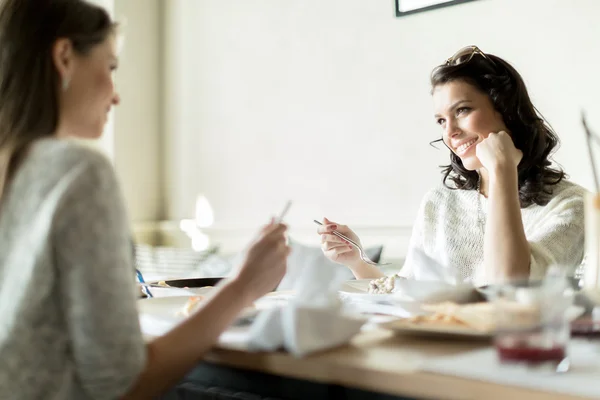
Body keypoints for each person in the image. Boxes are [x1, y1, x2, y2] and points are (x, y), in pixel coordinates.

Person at [0, 1, 289, 399]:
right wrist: (241, 287)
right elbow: (122, 386)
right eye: (111, 67)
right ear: (64, 57)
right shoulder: (77, 173)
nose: (116, 96)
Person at [318, 45, 585, 286]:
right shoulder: (439, 202)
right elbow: (406, 292)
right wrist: (357, 262)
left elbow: (508, 287)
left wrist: (502, 170)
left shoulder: (572, 204)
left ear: (507, 110)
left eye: (462, 110)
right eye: (441, 120)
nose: (451, 132)